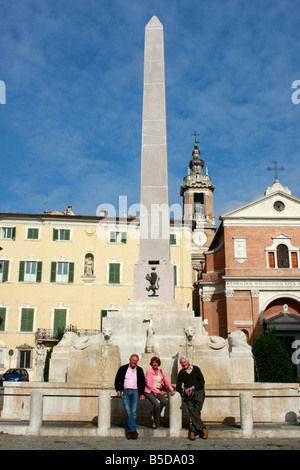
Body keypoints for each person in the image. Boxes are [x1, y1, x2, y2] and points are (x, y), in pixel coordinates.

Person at [176, 356, 208, 440]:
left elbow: (202, 382)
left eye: (184, 362)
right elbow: (178, 387)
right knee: (191, 409)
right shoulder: (181, 373)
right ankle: (203, 428)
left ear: (188, 362)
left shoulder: (196, 369)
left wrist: (192, 387)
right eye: (182, 363)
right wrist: (185, 391)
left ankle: (193, 431)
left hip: (199, 392)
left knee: (196, 410)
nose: (183, 364)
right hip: (189, 395)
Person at [114, 354, 146, 439]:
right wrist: (118, 390)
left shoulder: (139, 370)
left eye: (136, 361)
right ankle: (133, 430)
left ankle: (131, 431)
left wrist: (142, 393)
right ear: (130, 360)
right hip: (125, 392)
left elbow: (142, 382)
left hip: (135, 392)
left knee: (134, 412)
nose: (134, 362)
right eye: (133, 360)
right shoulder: (123, 368)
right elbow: (117, 380)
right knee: (128, 411)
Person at [144, 356, 175, 428]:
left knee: (164, 401)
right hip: (149, 391)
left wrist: (171, 389)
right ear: (151, 363)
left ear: (158, 363)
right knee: (156, 405)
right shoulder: (149, 372)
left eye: (156, 362)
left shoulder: (160, 371)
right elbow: (148, 385)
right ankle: (155, 422)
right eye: (153, 362)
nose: (155, 364)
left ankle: (154, 413)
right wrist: (158, 392)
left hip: (158, 389)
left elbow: (166, 381)